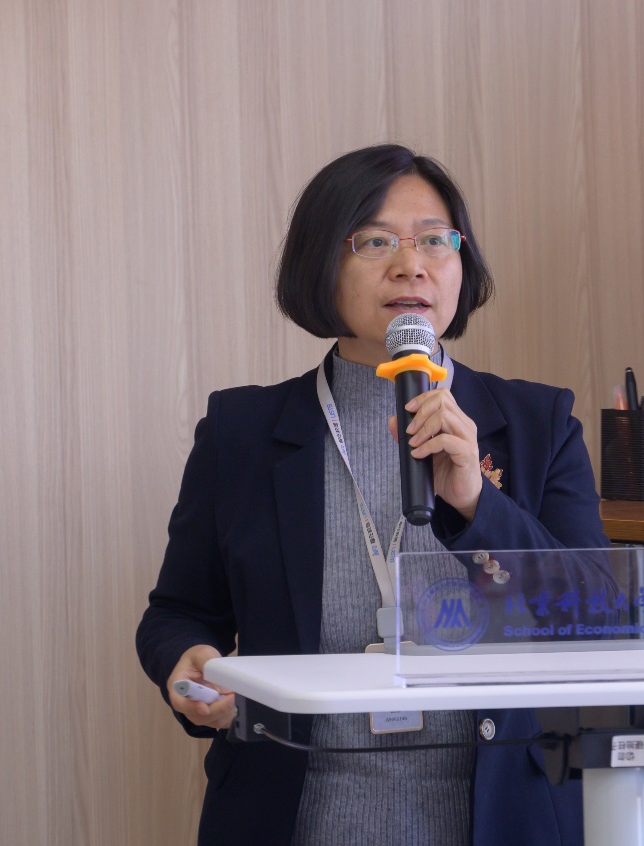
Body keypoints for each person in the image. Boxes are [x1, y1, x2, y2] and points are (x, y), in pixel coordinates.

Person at [137, 144, 611, 845]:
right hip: (296, 820)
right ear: (320, 262)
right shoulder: (243, 431)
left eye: (434, 240)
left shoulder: (537, 423)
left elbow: (597, 618)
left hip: (502, 821)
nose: (411, 265)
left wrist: (477, 504)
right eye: (376, 241)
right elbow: (177, 612)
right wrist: (189, 664)